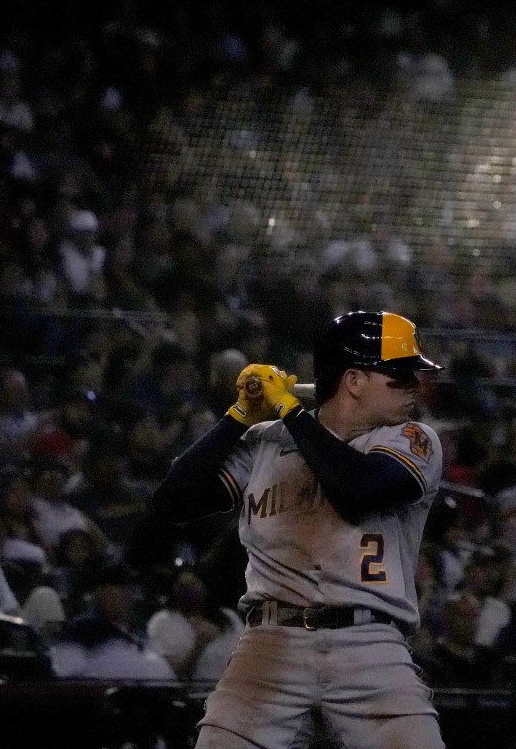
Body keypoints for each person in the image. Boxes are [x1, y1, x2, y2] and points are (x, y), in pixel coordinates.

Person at [150, 310, 447, 749]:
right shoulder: (269, 441)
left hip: (370, 646)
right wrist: (237, 417)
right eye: (400, 376)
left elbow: (358, 489)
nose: (414, 387)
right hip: (270, 643)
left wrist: (290, 410)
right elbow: (172, 501)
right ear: (354, 380)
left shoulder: (411, 438)